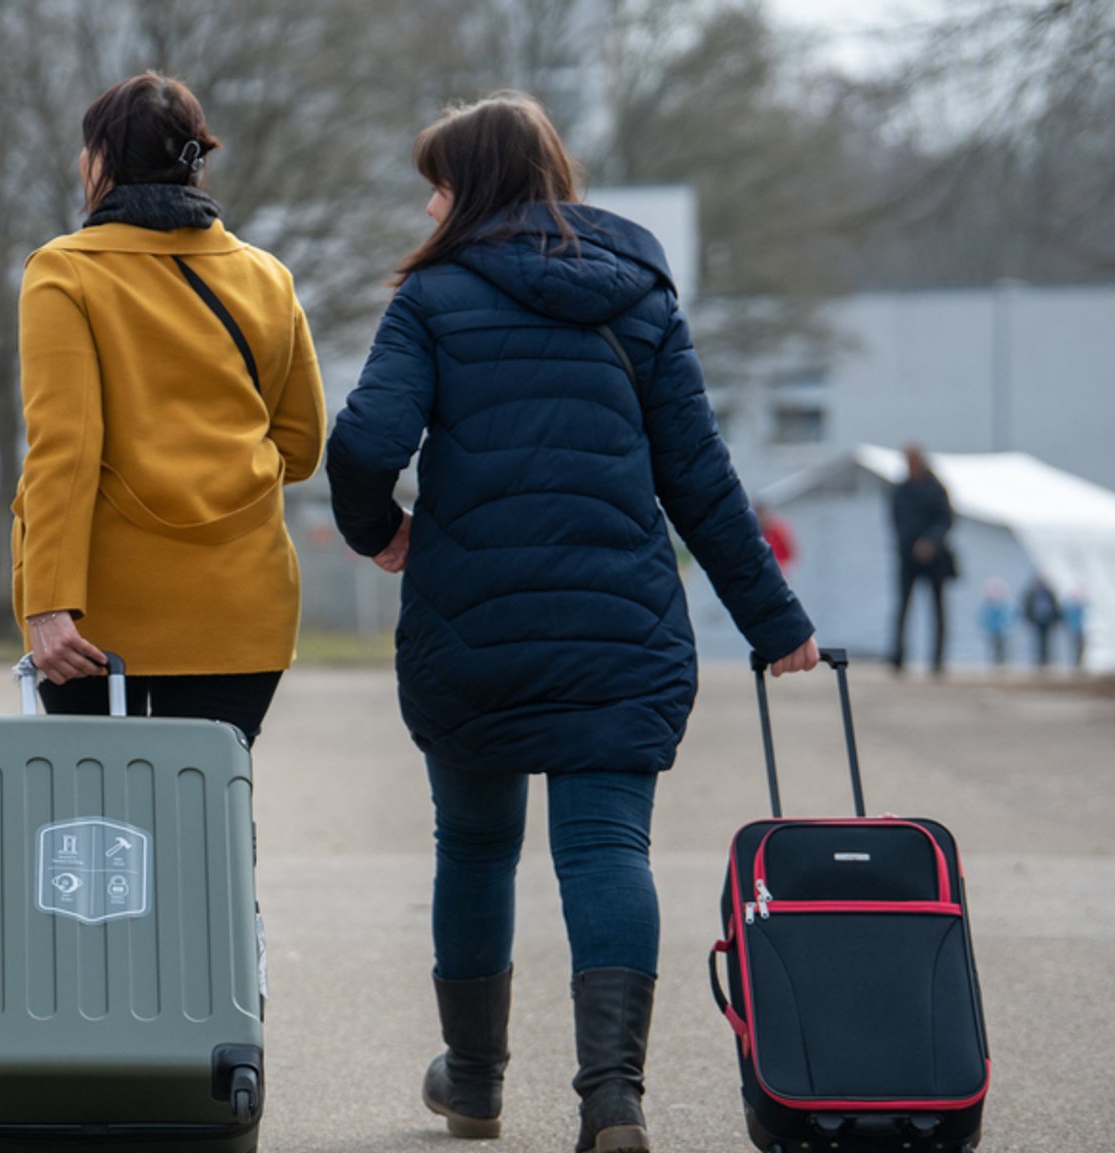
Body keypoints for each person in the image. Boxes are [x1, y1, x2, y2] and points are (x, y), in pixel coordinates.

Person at [325, 92, 817, 1153]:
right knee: (602, 849)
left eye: (438, 182)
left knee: (474, 847)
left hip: (472, 623)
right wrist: (773, 622)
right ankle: (610, 1102)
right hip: (615, 620)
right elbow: (699, 478)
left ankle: (472, 1083)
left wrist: (379, 532)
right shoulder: (638, 300)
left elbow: (365, 440)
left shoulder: (435, 297)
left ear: (473, 188)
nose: (427, 202)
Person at [14, 72, 326, 745]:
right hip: (242, 602)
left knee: (99, 828)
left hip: (98, 615)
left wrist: (46, 601)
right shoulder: (268, 277)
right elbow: (300, 445)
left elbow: (65, 449)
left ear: (101, 160)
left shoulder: (64, 272)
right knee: (206, 821)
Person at [890, 443, 955, 674]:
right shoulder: (900, 489)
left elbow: (945, 520)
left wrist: (930, 542)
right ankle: (898, 657)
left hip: (934, 557)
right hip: (907, 557)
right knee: (903, 606)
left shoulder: (936, 489)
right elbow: (895, 520)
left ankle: (937, 659)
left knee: (937, 608)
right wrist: (906, 545)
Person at [1022, 572, 1062, 669]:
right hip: (1036, 621)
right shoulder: (1032, 593)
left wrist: (1055, 619)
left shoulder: (1050, 593)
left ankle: (1047, 661)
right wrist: (1030, 619)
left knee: (1048, 642)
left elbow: (1055, 607)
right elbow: (1027, 607)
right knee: (1037, 642)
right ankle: (1039, 661)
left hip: (1048, 621)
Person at [979, 578, 1013, 667]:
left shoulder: (1003, 605)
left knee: (1002, 648)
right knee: (993, 648)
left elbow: (1008, 617)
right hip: (992, 630)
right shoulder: (987, 605)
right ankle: (995, 663)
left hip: (1001, 630)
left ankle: (1001, 663)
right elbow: (983, 618)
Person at [755, 501, 796, 572]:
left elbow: (789, 552)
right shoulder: (754, 535)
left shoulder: (777, 530)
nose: (761, 518)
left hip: (780, 570)